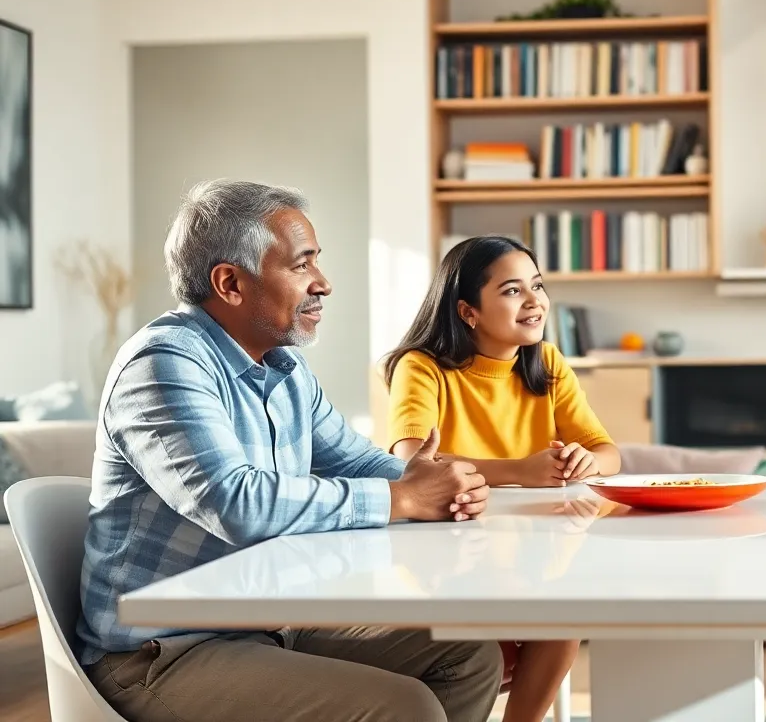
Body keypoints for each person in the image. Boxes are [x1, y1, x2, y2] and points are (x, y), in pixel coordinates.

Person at [77, 180, 503, 722]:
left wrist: (438, 482)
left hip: (262, 623)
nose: (323, 284)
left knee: (467, 655)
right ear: (230, 283)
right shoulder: (163, 364)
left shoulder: (284, 366)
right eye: (302, 266)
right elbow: (237, 504)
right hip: (160, 652)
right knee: (407, 707)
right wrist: (404, 497)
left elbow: (353, 459)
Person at [383, 234, 617, 722]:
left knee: (565, 609)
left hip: (530, 548)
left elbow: (607, 451)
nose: (535, 301)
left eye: (537, 285)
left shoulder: (547, 364)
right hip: (447, 553)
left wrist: (584, 461)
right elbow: (408, 457)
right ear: (468, 311)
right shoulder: (423, 367)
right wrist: (520, 472)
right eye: (513, 291)